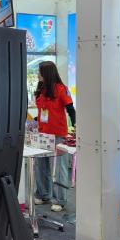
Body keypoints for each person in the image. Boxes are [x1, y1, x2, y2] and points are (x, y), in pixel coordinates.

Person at [34, 61, 76, 212]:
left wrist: (76, 124)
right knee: (40, 165)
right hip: (42, 134)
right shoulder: (41, 89)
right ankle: (43, 194)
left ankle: (60, 199)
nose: (37, 74)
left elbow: (70, 109)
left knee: (59, 168)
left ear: (46, 73)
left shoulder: (61, 89)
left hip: (58, 135)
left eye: (39, 72)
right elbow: (43, 111)